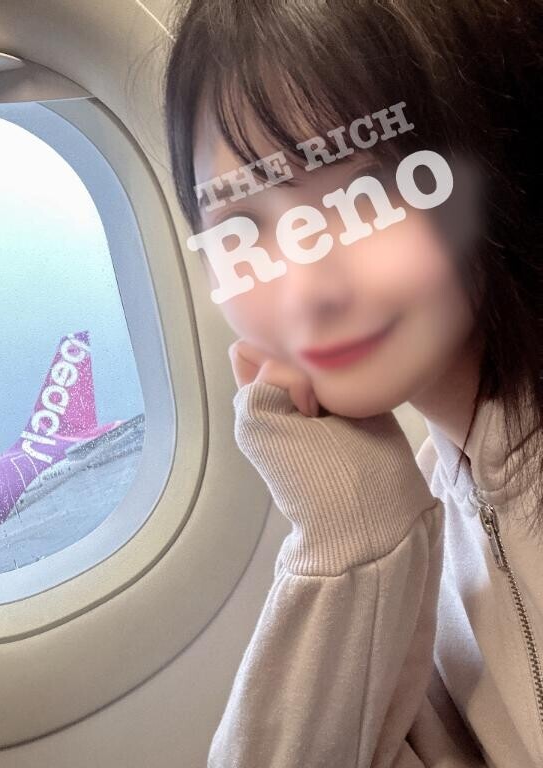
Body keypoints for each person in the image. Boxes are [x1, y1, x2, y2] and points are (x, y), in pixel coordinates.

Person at [159, 1, 543, 765]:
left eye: (369, 193)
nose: (305, 289)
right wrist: (350, 548)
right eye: (242, 228)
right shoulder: (417, 514)